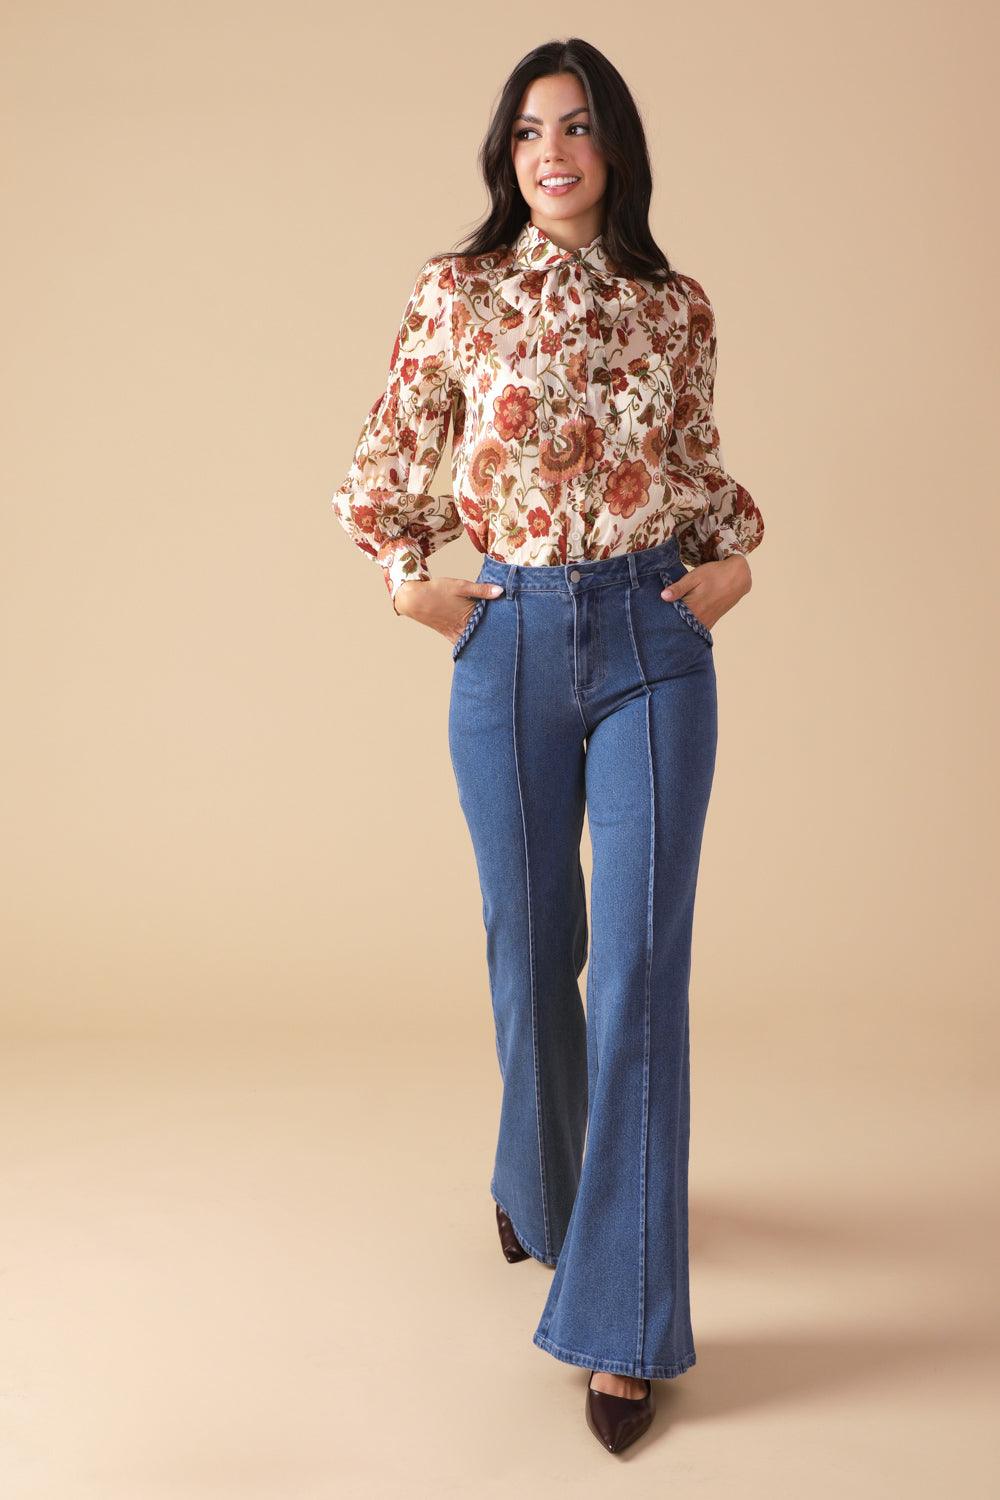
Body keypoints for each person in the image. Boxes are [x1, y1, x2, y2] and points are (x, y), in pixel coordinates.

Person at [331, 37, 764, 1455]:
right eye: (528, 134)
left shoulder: (674, 306)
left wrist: (728, 570)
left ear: (616, 147)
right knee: (533, 945)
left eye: (576, 128)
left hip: (649, 644)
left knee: (643, 961)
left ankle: (622, 1323)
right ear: (506, 157)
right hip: (509, 639)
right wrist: (417, 584)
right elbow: (389, 460)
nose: (553, 153)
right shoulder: (455, 294)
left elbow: (700, 470)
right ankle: (544, 1182)